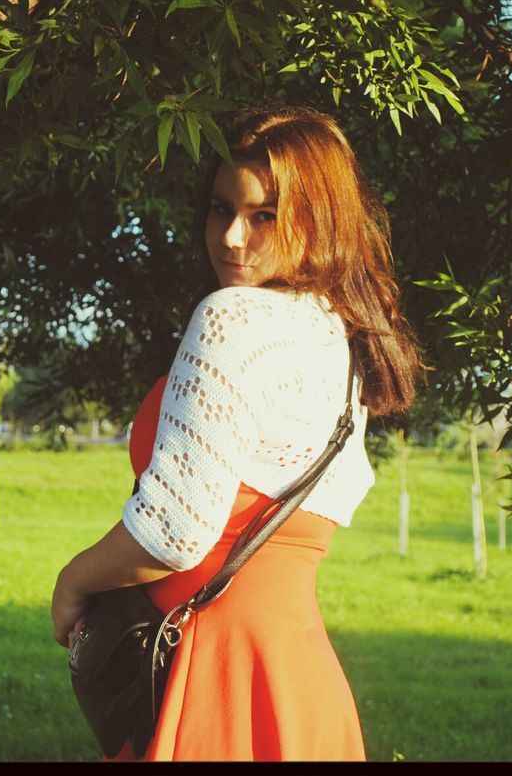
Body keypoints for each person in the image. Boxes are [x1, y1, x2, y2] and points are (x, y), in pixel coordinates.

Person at [51, 104, 425, 761]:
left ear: (317, 220)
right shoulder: (338, 341)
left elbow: (176, 530)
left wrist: (75, 579)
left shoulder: (230, 318)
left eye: (262, 216)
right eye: (221, 209)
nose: (229, 237)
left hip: (211, 671)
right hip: (296, 677)